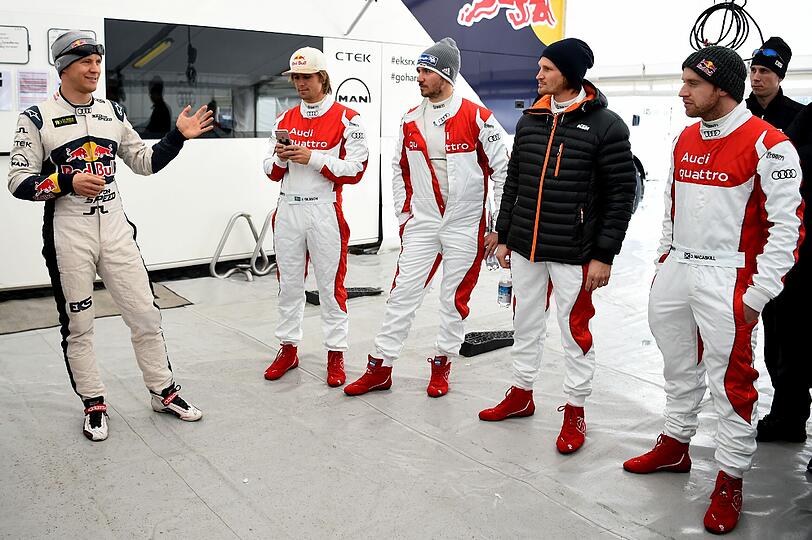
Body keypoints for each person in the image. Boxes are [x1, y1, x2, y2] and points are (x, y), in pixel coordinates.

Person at [622, 46, 804, 534]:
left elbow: (788, 229)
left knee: (732, 382)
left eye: (692, 84)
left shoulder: (770, 143)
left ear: (721, 88)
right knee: (677, 365)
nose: (682, 92)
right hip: (678, 269)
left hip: (729, 278)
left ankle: (730, 477)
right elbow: (669, 205)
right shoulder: (684, 137)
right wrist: (663, 260)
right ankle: (675, 444)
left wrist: (758, 294)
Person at [7, 31, 213, 442]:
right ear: (64, 68)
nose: (95, 68)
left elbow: (143, 162)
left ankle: (163, 391)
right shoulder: (36, 117)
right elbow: (17, 181)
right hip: (69, 232)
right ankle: (94, 402)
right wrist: (65, 182)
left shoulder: (112, 111)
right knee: (79, 324)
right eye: (85, 61)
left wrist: (177, 137)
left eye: (98, 61)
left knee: (145, 314)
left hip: (116, 229)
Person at [477, 38, 636, 456]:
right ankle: (521, 392)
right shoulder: (531, 119)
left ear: (569, 74)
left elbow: (621, 195)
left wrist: (604, 255)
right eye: (540, 68)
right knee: (525, 322)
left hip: (575, 251)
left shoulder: (607, 125)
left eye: (546, 68)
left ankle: (575, 409)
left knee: (573, 331)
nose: (539, 75)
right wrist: (505, 234)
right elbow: (514, 181)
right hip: (526, 247)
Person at [343, 37, 508, 397]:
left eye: (425, 71)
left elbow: (504, 173)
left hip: (466, 225)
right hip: (423, 223)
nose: (418, 77)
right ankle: (380, 367)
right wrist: (404, 217)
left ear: (445, 75)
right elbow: (398, 169)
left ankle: (442, 364)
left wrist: (499, 227)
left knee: (453, 300)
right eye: (418, 70)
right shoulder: (410, 119)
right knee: (402, 294)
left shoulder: (478, 117)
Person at [262, 47, 369, 387]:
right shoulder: (283, 119)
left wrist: (314, 158)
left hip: (325, 210)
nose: (299, 83)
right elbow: (269, 171)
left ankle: (335, 353)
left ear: (322, 77)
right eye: (295, 77)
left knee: (330, 288)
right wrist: (281, 158)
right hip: (288, 209)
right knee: (288, 286)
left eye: (306, 77)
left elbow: (356, 169)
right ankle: (288, 348)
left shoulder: (348, 118)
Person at [744, 37, 807, 443]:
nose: (757, 78)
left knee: (791, 336)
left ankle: (791, 415)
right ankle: (774, 412)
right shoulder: (738, 116)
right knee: (764, 334)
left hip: (789, 245)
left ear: (780, 76)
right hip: (748, 244)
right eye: (753, 70)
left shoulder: (800, 118)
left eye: (765, 72)